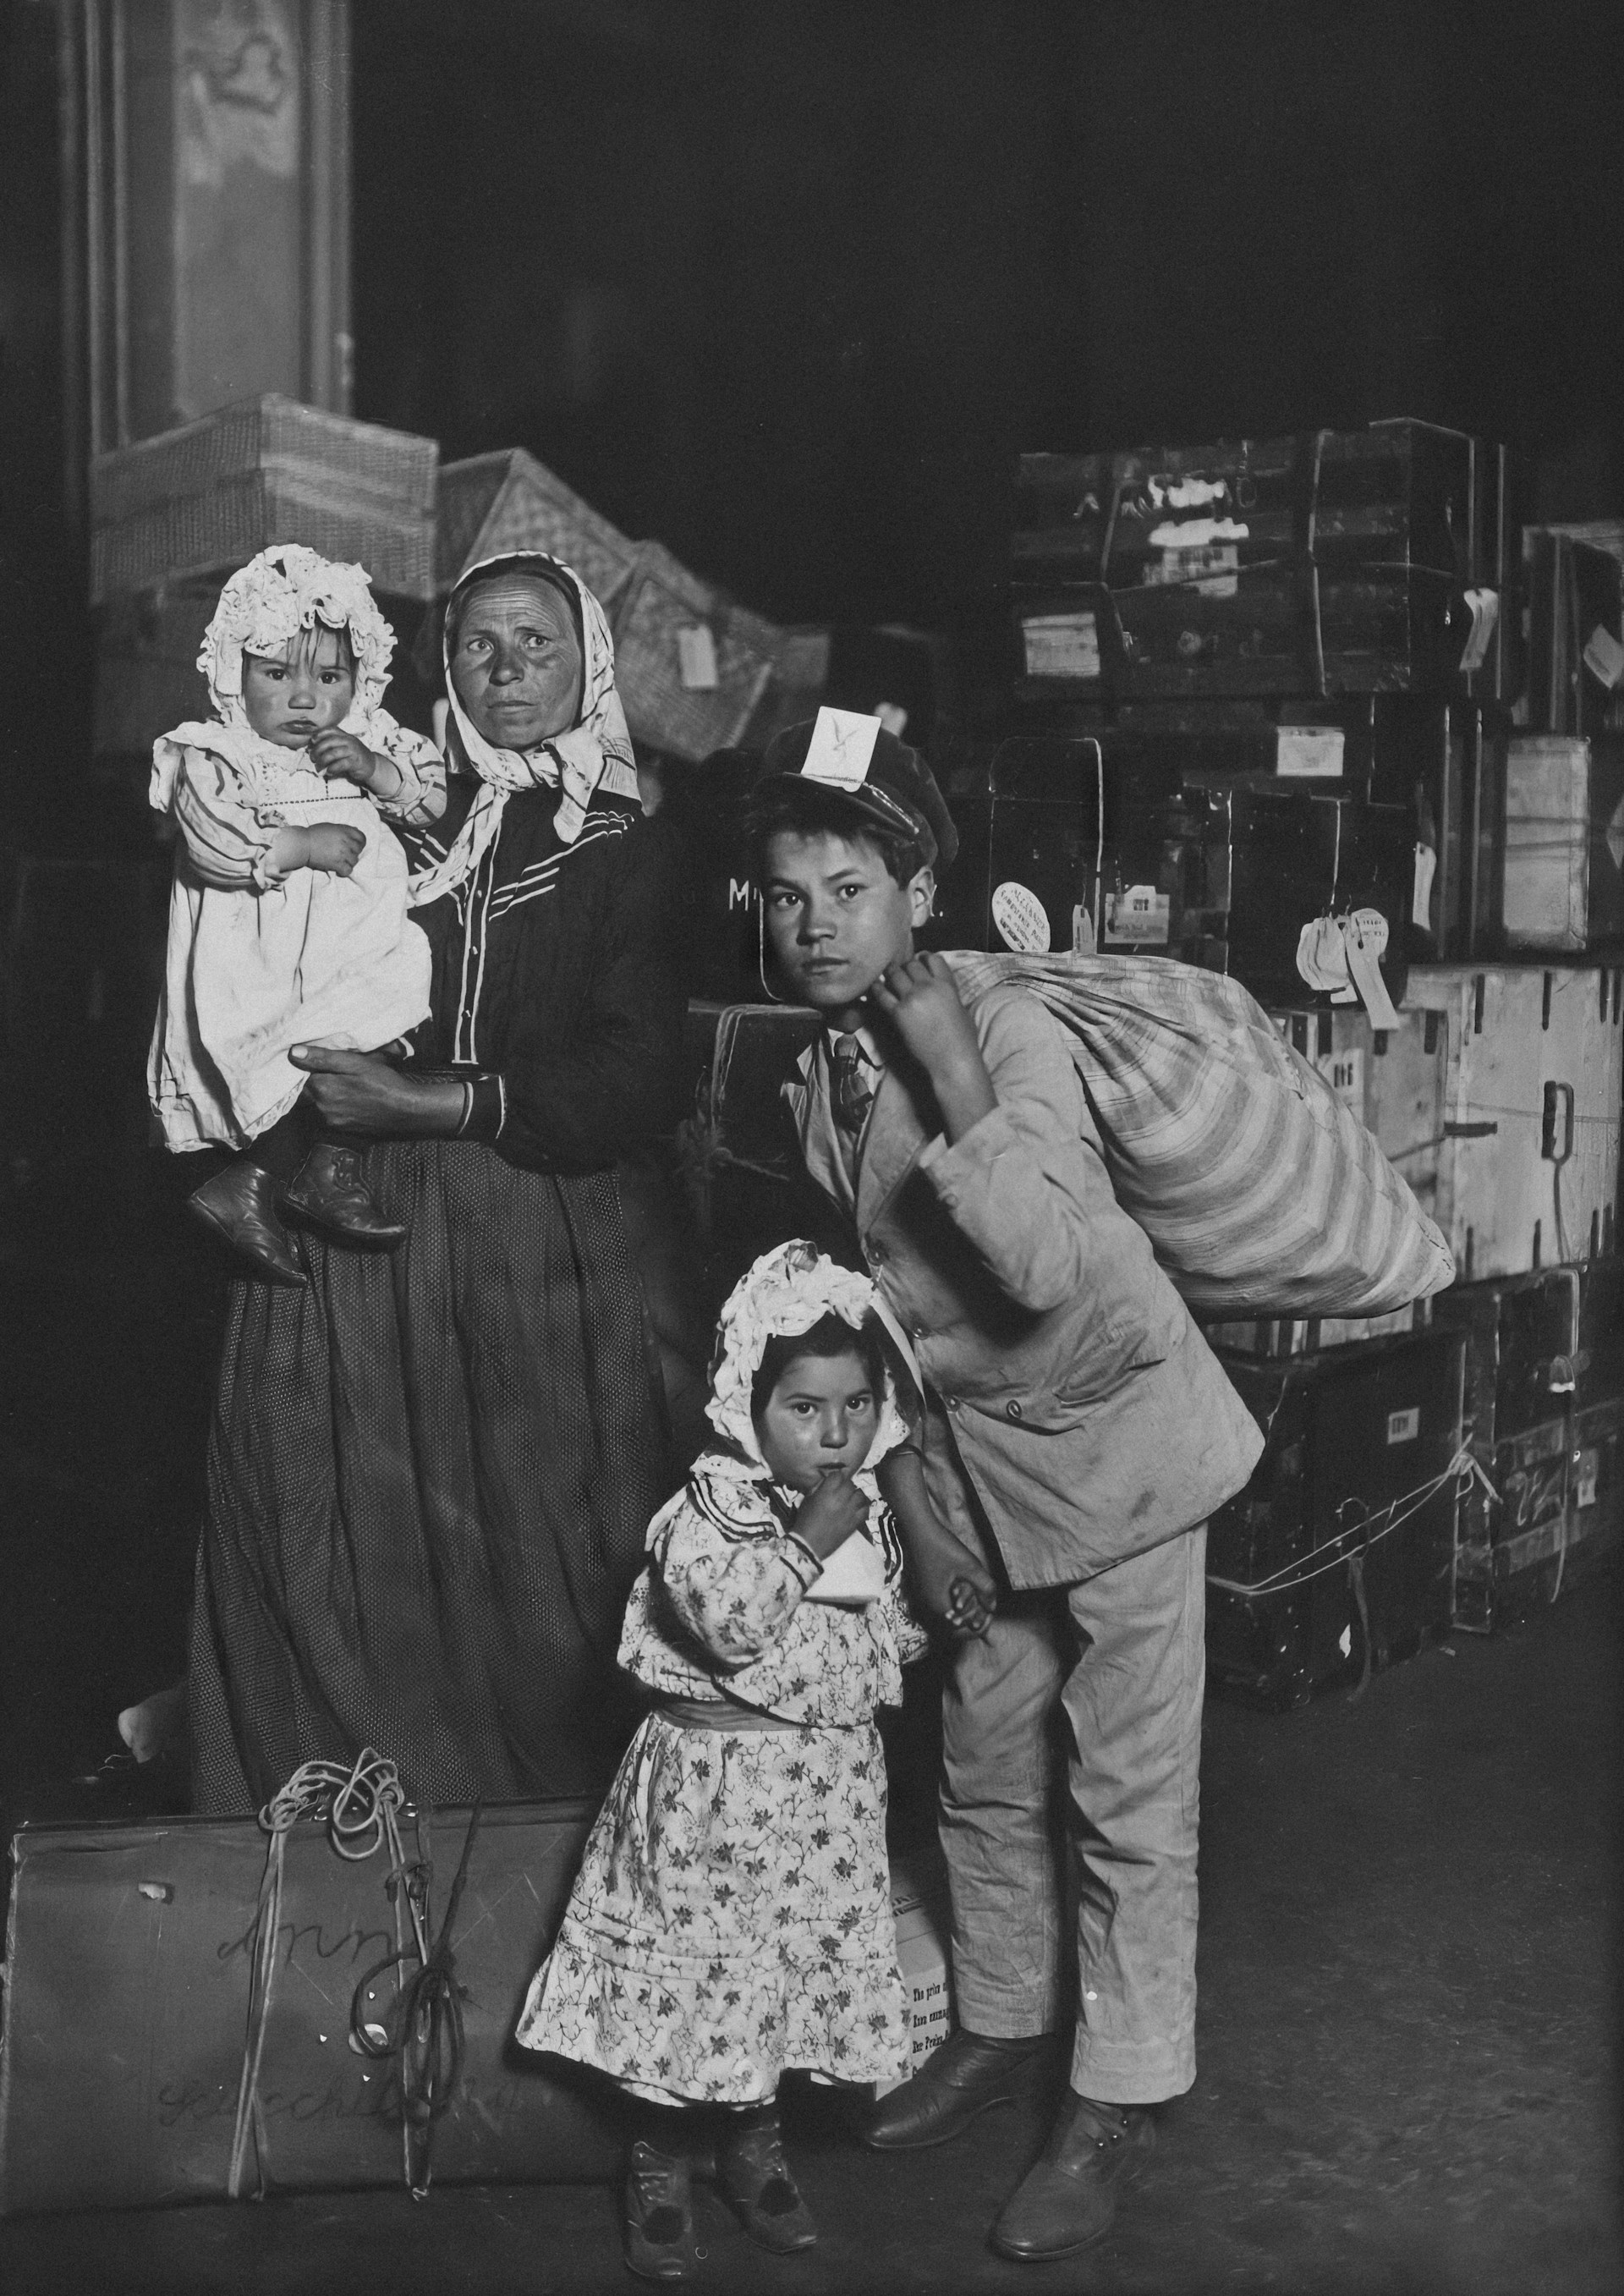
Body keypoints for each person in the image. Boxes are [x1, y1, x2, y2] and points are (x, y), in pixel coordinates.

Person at [744, 711, 1265, 2264]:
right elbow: (879, 1317)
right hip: (973, 1472)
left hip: (1119, 1448)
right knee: (979, 1759)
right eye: (786, 895)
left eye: (850, 885)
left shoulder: (1009, 1025)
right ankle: (997, 2021)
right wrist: (913, 1509)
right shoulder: (815, 1074)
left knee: (1125, 1791)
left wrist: (954, 1058)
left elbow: (1034, 1257)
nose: (818, 921)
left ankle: (1115, 2088)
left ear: (919, 890)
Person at [187, 551, 688, 1814]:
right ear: (442, 667)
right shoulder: (400, 808)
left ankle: (553, 1867)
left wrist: (431, 1100)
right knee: (333, 1537)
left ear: (591, 665)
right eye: (477, 645)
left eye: (538, 643)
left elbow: (638, 1076)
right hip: (366, 1230)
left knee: (549, 1565)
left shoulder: (632, 843)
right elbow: (245, 860)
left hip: (544, 1241)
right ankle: (356, 1848)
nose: (508, 669)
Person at [516, 1240, 990, 2283]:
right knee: (699, 1983)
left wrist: (931, 1611)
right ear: (746, 1404)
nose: (837, 1434)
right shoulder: (707, 1512)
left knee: (775, 1979)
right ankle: (660, 2154)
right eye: (806, 1408)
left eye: (858, 1405)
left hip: (818, 1803)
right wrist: (807, 1542)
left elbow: (871, 1647)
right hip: (711, 1802)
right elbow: (729, 1624)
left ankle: (752, 2138)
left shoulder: (866, 1514)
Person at [148, 544, 447, 1281]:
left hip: (358, 941)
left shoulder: (369, 739)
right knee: (286, 1058)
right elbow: (212, 842)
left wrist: (376, 771)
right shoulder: (216, 754)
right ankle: (251, 1176)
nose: (305, 698)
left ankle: (322, 1169)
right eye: (277, 674)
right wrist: (298, 843)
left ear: (362, 680)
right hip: (263, 950)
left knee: (385, 1021)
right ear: (233, 673)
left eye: (330, 677)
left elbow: (435, 800)